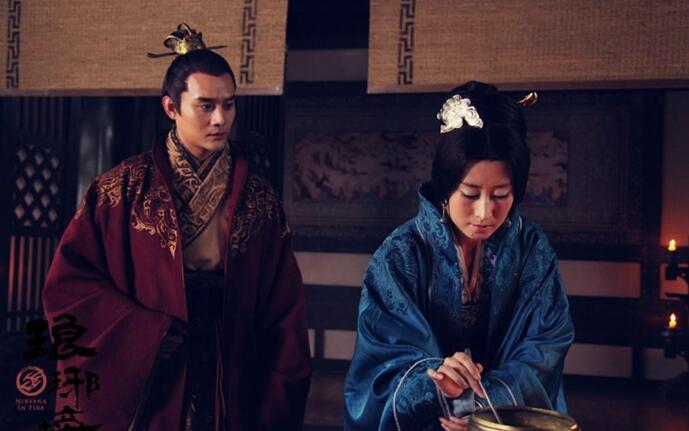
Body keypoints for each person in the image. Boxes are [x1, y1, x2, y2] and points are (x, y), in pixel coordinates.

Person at [42, 27, 311, 431]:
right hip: (154, 367)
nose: (220, 119)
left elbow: (283, 305)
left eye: (229, 105)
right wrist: (144, 333)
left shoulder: (259, 198)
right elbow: (69, 287)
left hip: (231, 364)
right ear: (171, 107)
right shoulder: (121, 189)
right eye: (206, 106)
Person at [344, 81, 574, 431]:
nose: (484, 213)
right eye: (470, 194)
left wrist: (477, 409)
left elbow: (543, 352)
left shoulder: (532, 250)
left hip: (503, 423)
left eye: (501, 195)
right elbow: (382, 366)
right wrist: (439, 382)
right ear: (446, 184)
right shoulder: (400, 256)